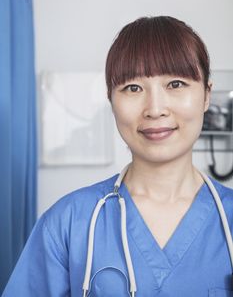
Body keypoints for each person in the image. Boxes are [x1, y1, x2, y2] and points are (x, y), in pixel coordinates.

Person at [2, 16, 233, 296]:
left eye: (175, 84)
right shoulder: (69, 223)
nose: (155, 109)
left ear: (206, 95)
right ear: (111, 99)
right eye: (133, 88)